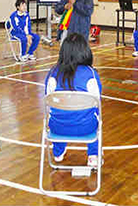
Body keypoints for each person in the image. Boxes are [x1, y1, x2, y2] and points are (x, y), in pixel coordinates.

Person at [44, 33, 102, 167]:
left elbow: (48, 99)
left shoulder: (53, 72)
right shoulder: (90, 73)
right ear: (85, 51)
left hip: (57, 128)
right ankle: (93, 156)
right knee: (95, 117)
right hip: (86, 127)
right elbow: (97, 102)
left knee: (58, 113)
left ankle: (57, 153)